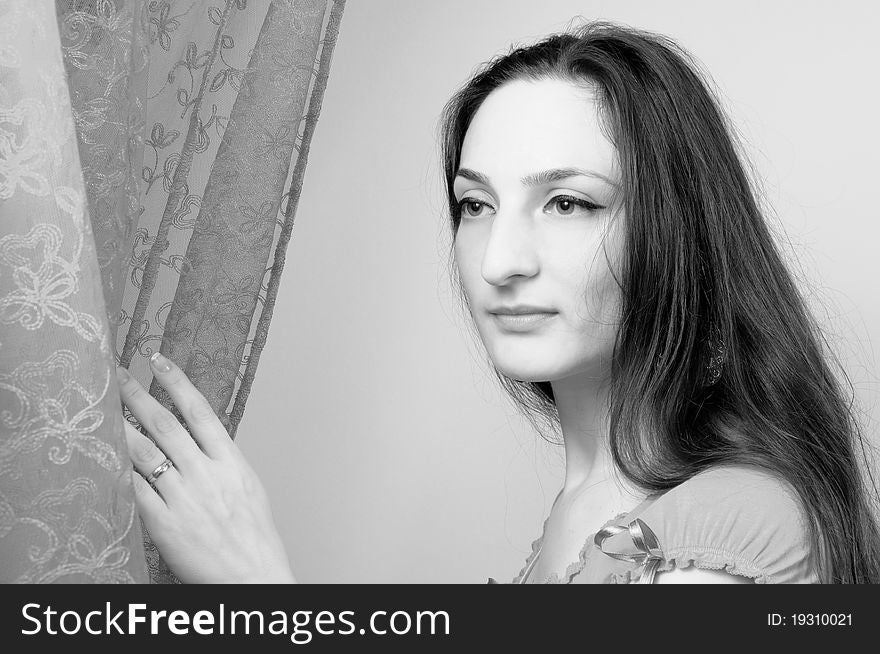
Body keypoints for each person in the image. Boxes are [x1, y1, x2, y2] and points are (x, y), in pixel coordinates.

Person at [116, 21, 880, 584]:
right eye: (476, 206)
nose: (500, 261)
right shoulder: (590, 513)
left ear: (676, 233)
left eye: (569, 204)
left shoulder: (731, 527)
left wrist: (258, 590)